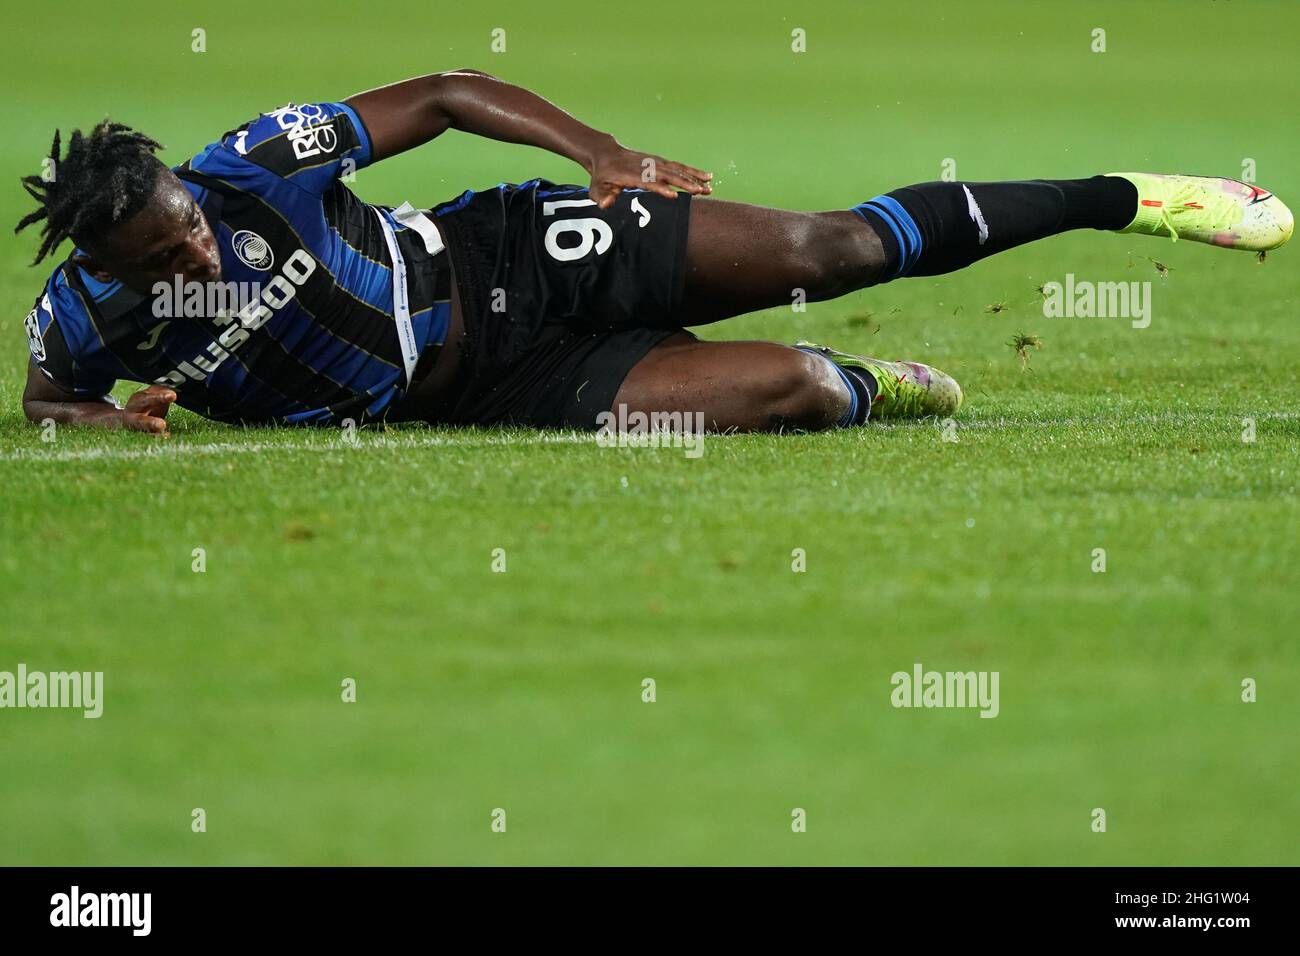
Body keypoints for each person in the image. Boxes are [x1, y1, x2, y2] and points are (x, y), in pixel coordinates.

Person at [16, 70, 1293, 436]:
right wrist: (103, 419)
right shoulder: (87, 316)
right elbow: (45, 401)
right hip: (491, 397)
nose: (199, 237)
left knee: (831, 244)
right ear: (117, 267)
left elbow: (451, 93)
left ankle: (1123, 194)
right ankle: (878, 385)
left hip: (508, 255)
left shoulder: (252, 164)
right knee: (796, 385)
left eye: (187, 210)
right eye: (168, 245)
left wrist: (601, 154)